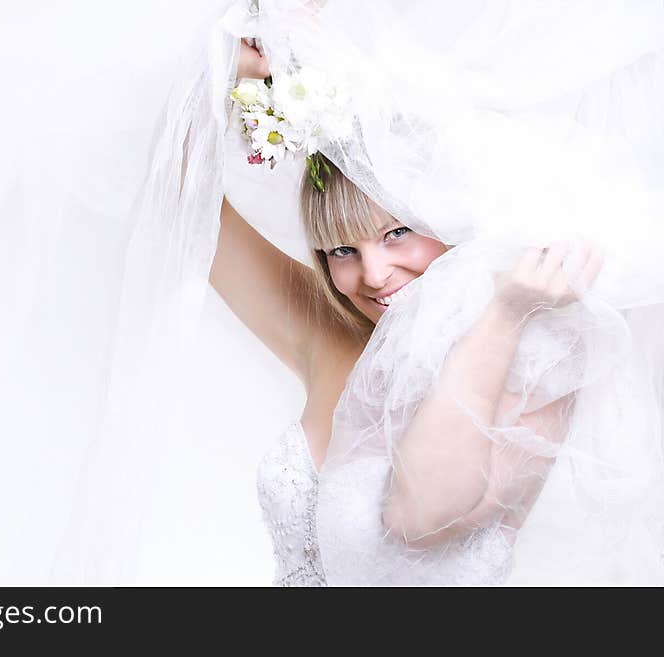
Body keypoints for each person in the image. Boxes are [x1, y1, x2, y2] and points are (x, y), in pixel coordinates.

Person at [210, 37, 608, 585]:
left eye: (396, 232)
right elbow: (188, 216)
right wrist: (227, 79)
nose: (372, 276)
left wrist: (501, 313)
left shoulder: (532, 363)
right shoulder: (333, 340)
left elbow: (419, 514)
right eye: (341, 251)